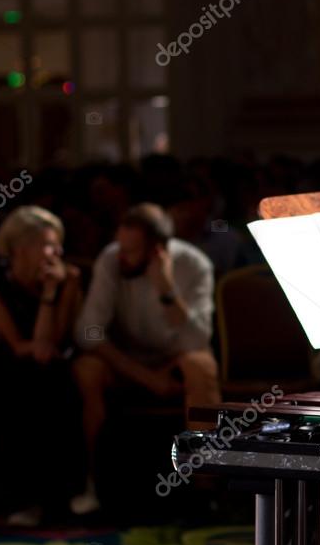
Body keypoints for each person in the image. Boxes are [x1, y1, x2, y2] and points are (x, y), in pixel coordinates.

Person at [71, 203, 220, 514]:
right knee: (87, 369)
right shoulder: (111, 259)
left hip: (176, 359)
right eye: (121, 246)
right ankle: (94, 483)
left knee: (201, 366)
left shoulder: (194, 265)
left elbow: (197, 339)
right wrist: (145, 377)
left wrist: (166, 290)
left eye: (133, 250)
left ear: (157, 252)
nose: (123, 256)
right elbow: (89, 333)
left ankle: (205, 487)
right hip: (126, 362)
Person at [0, 206, 84, 525]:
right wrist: (37, 347)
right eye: (50, 245)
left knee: (53, 379)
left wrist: (50, 294)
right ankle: (20, 499)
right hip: (8, 358)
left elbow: (52, 341)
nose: (58, 252)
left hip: (52, 360)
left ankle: (59, 497)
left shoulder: (69, 278)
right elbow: (16, 343)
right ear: (21, 248)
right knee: (15, 381)